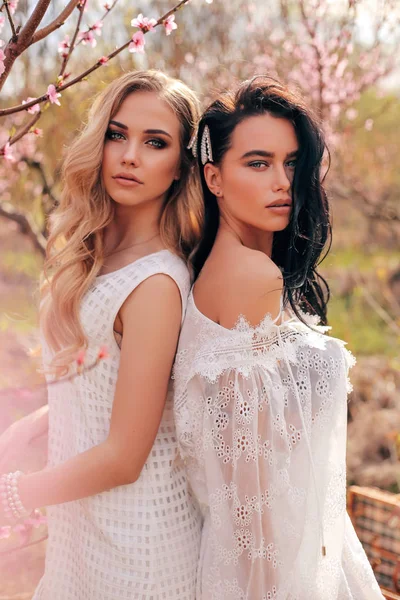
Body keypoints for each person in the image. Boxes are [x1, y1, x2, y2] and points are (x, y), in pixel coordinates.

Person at [173, 76, 384, 599]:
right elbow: (252, 491)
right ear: (214, 178)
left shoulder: (220, 271)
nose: (282, 182)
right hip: (275, 573)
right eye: (258, 163)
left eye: (291, 163)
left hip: (281, 554)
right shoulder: (251, 279)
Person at [0, 70, 203, 599]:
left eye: (155, 142)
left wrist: (16, 496)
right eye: (117, 134)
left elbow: (124, 455)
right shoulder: (96, 254)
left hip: (137, 554)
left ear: (181, 168)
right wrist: (32, 426)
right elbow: (103, 373)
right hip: (84, 538)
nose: (130, 155)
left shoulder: (156, 282)